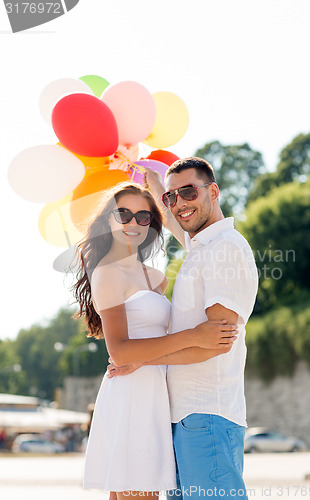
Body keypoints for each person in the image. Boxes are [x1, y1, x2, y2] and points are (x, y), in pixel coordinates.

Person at [71, 181, 238, 500]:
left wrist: (158, 187)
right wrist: (195, 336)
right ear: (108, 219)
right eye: (123, 214)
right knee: (139, 495)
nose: (133, 223)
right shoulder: (107, 272)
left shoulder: (154, 278)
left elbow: (202, 243)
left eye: (143, 217)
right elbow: (119, 352)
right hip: (133, 394)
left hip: (156, 393)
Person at [107, 158, 258, 499]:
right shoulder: (201, 247)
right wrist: (152, 182)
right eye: (171, 197)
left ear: (213, 191)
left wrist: (142, 360)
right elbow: (179, 223)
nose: (179, 203)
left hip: (207, 416)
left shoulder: (225, 249)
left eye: (188, 192)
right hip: (184, 417)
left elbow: (214, 341)